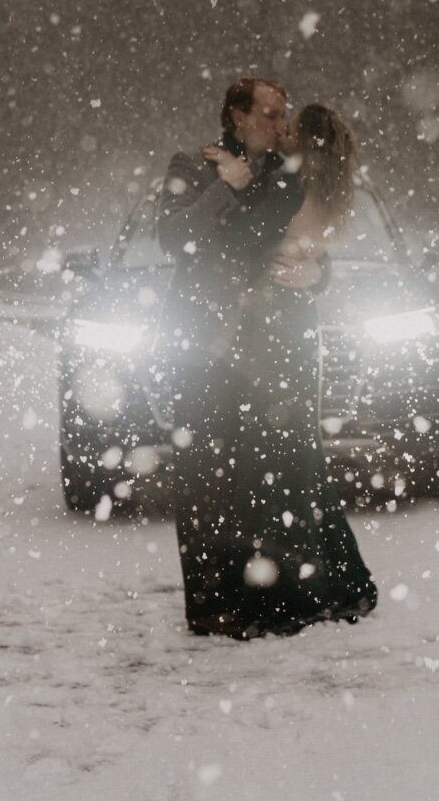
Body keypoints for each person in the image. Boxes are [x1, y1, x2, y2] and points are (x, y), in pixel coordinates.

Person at [159, 84, 377, 638]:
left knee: (275, 469)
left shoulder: (285, 172)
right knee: (214, 475)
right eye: (271, 114)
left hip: (270, 339)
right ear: (240, 116)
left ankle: (283, 591)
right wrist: (229, 187)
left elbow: (276, 238)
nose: (280, 125)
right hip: (212, 340)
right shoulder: (194, 163)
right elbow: (181, 239)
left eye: (286, 117)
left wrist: (314, 272)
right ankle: (222, 603)